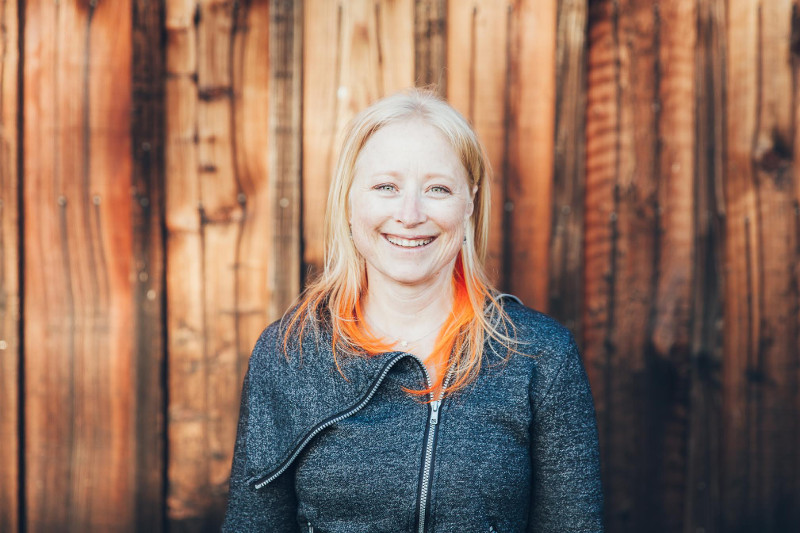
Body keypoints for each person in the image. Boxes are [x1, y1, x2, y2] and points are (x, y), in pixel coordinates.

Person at [222, 89, 604, 532]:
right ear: (349, 201)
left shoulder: (541, 356)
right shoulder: (289, 352)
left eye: (437, 189)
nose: (410, 214)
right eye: (386, 187)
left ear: (469, 202)